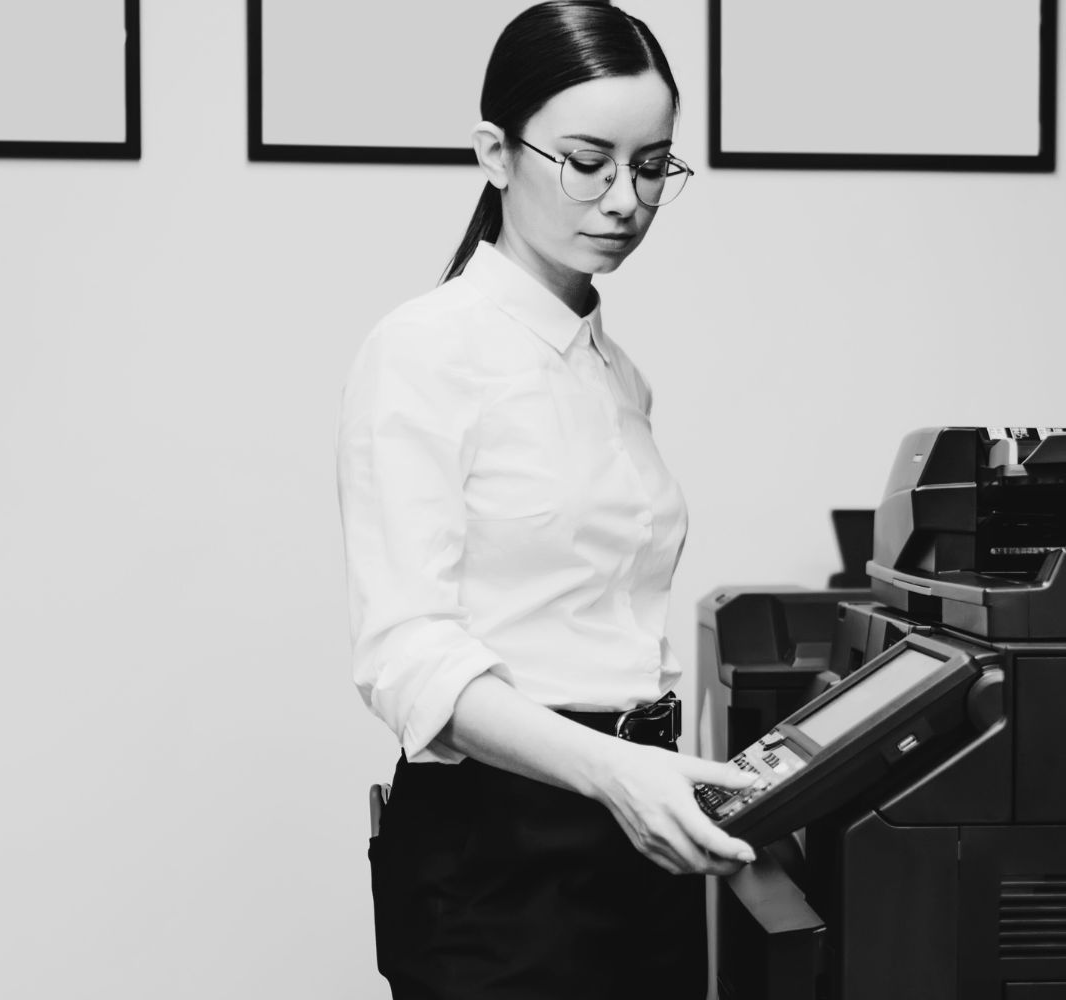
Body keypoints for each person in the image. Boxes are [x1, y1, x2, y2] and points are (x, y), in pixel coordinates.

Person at [336, 3, 761, 996]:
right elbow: (407, 657)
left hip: (638, 827)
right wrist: (614, 770)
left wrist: (654, 772)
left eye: (651, 166)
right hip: (502, 852)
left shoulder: (616, 372)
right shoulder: (424, 349)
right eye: (587, 162)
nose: (625, 199)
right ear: (496, 152)